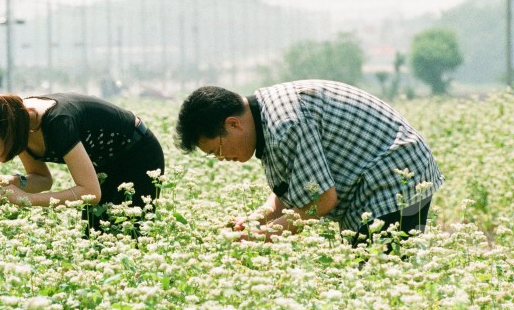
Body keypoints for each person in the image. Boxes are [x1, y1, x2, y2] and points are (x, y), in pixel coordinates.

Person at [174, 80, 444, 244]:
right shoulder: (266, 116)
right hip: (385, 175)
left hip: (396, 175)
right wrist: (254, 221)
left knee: (380, 275)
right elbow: (288, 192)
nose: (222, 159)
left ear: (232, 124)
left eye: (217, 150)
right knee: (370, 273)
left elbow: (322, 201)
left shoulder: (284, 125)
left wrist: (263, 236)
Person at [0, 92, 164, 231]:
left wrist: (26, 200)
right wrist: (15, 182)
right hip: (104, 167)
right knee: (94, 239)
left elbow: (90, 192)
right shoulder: (19, 128)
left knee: (129, 236)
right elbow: (42, 179)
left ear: (3, 130)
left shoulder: (57, 122)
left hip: (138, 155)